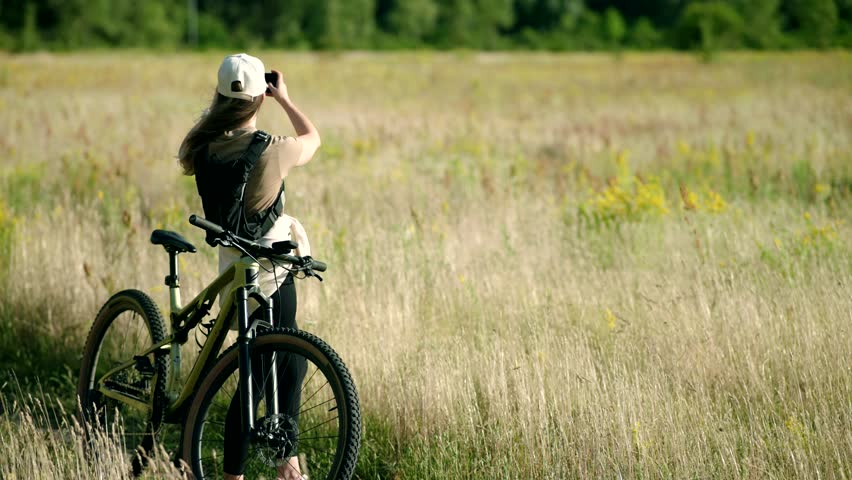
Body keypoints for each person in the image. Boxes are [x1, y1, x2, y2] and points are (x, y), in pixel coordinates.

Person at [178, 53, 321, 480]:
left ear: (220, 97)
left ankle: (284, 464)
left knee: (265, 367)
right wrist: (285, 99)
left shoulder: (200, 147)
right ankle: (263, 470)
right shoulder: (271, 151)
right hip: (273, 273)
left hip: (233, 272)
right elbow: (313, 138)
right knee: (274, 368)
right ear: (261, 96)